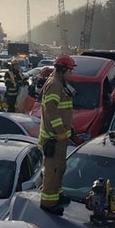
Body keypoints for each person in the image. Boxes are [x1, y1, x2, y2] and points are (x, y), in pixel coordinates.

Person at [38, 55, 77, 215]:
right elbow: (51, 110)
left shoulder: (60, 83)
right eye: (70, 70)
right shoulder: (54, 84)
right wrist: (61, 131)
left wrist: (69, 128)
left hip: (60, 138)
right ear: (62, 70)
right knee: (52, 171)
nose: (71, 74)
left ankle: (57, 194)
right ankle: (48, 202)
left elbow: (63, 110)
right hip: (54, 139)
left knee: (60, 168)